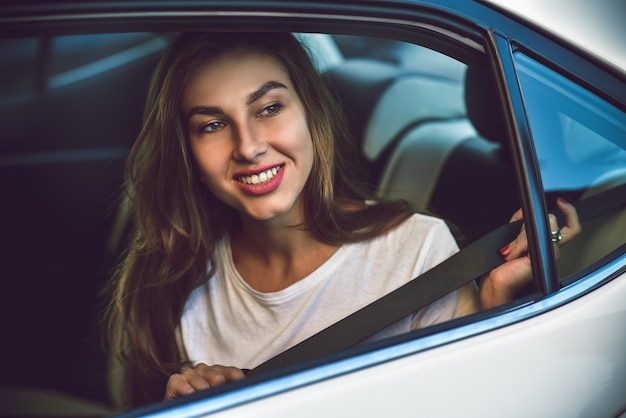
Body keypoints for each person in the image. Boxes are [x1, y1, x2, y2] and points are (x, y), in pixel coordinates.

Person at [104, 31, 580, 408]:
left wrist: (495, 298)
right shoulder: (178, 276)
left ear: (311, 114)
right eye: (212, 125)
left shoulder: (417, 254)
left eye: (270, 108)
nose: (248, 146)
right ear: (188, 154)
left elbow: (480, 402)